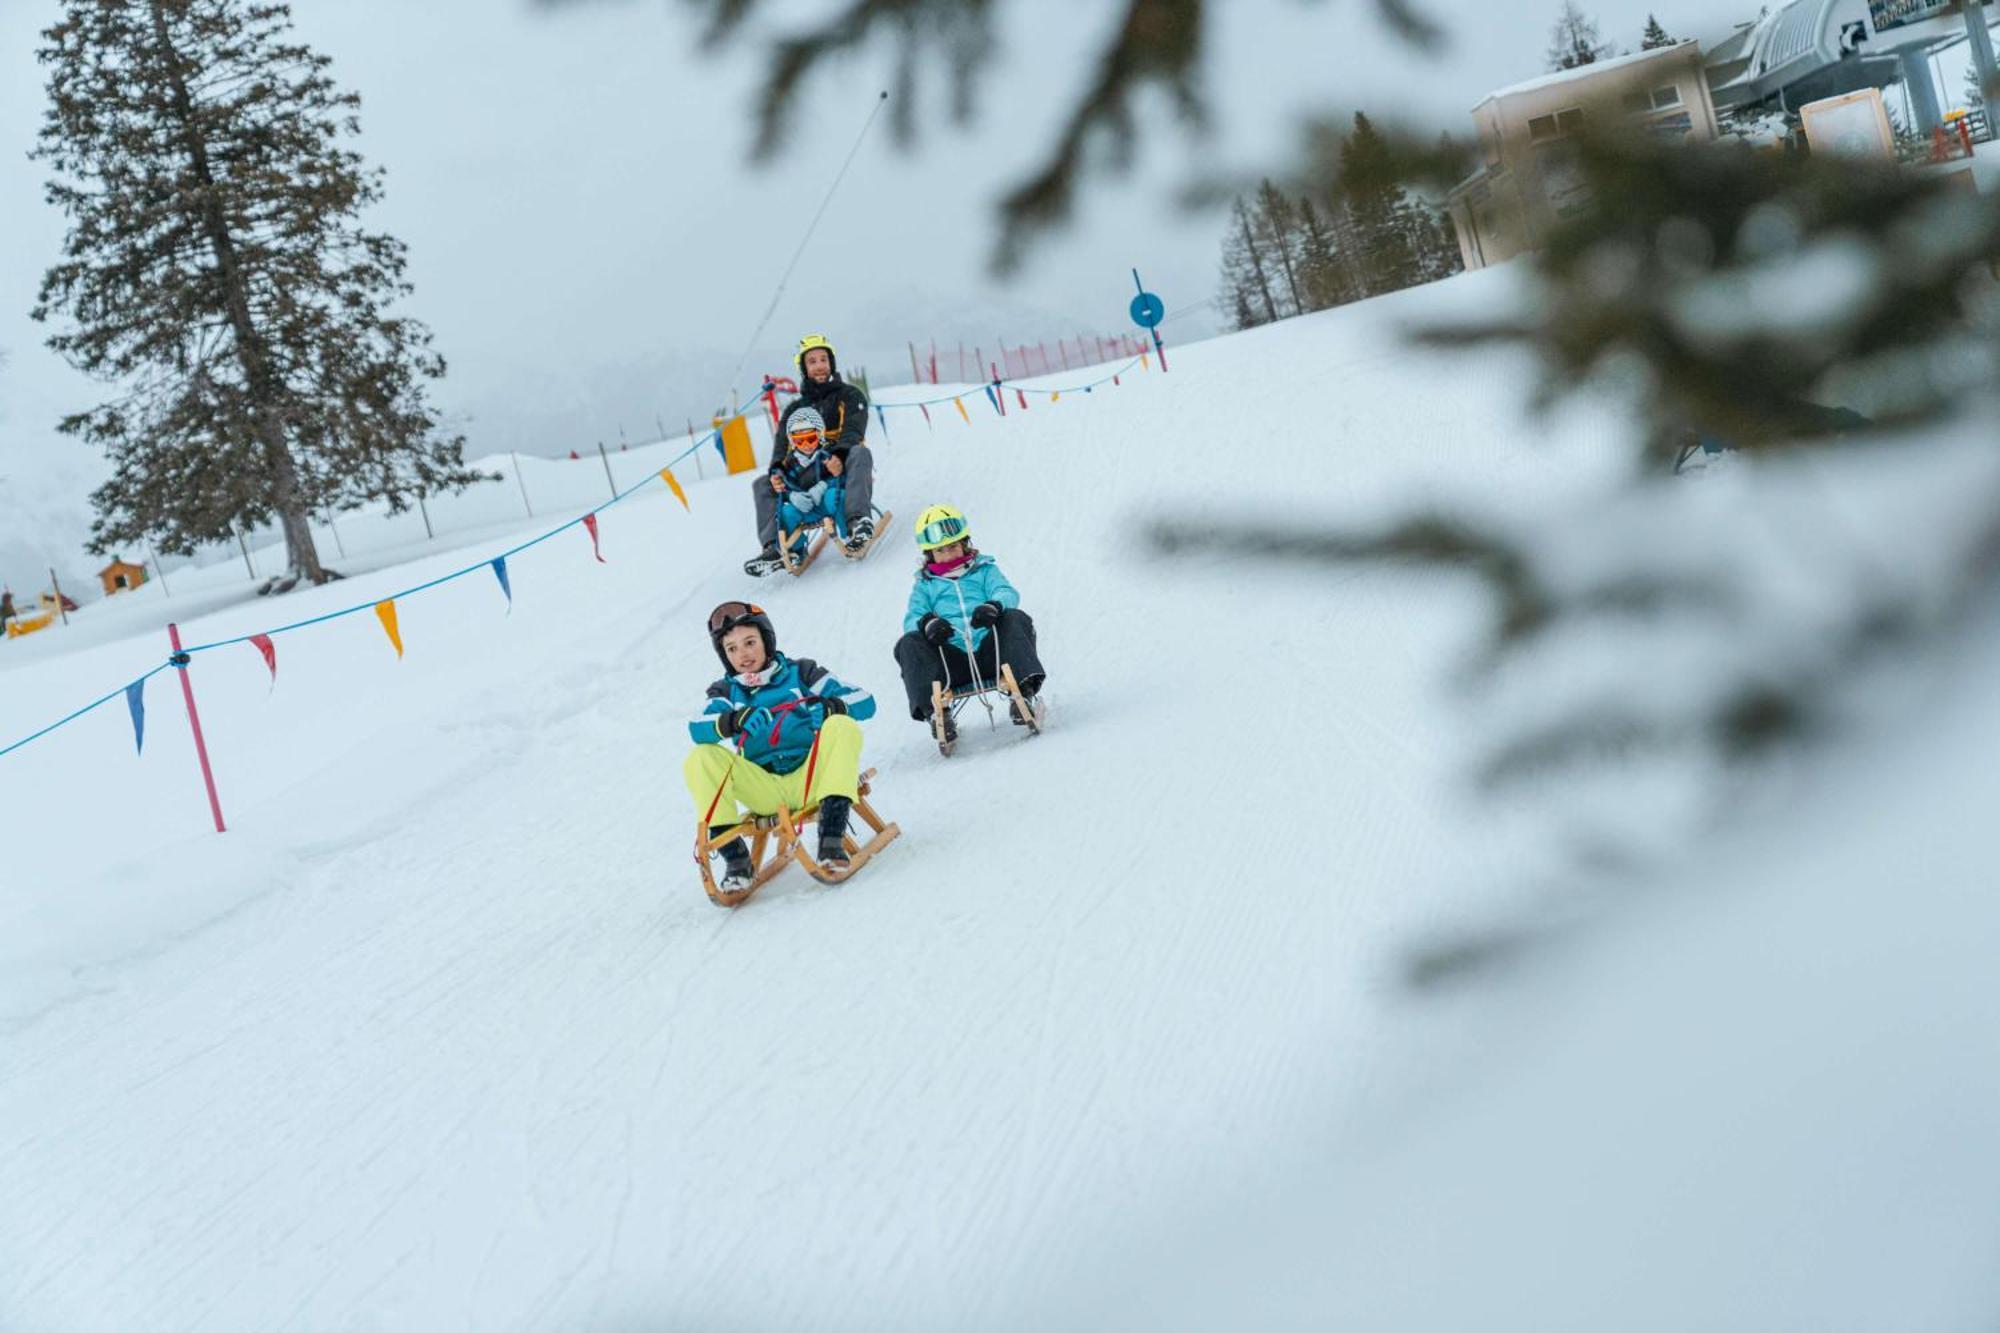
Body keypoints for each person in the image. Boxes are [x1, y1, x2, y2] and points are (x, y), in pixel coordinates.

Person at [684, 601, 878, 889]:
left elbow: (865, 702)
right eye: (732, 648)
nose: (743, 655)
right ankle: (736, 860)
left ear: (766, 639)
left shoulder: (801, 672)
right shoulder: (727, 691)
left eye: (749, 642)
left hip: (812, 778)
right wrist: (732, 721)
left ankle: (831, 839)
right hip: (764, 790)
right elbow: (697, 728)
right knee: (701, 757)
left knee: (841, 725)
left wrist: (830, 706)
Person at [892, 504, 1046, 742]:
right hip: (951, 663)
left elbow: (1006, 591)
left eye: (953, 546)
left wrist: (994, 606)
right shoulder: (925, 585)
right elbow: (912, 618)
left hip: (992, 653)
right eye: (940, 550)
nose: (948, 554)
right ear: (930, 553)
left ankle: (1023, 693)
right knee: (908, 643)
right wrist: (928, 623)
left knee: (1015, 618)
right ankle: (937, 713)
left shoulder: (984, 570)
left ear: (964, 543)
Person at [745, 333, 877, 574]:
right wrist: (777, 471)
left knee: (860, 452)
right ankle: (775, 548)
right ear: (804, 368)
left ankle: (858, 523)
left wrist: (838, 455)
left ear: (832, 363)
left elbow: (853, 431)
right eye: (812, 361)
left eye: (823, 360)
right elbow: (782, 446)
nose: (819, 366)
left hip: (842, 469)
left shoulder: (850, 395)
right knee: (762, 484)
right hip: (808, 473)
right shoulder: (796, 409)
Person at [769, 407, 848, 547]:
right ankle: (796, 550)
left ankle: (848, 533)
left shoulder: (829, 454)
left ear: (819, 435)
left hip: (827, 503)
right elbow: (785, 487)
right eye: (800, 441)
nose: (806, 446)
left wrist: (824, 486)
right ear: (792, 442)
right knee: (786, 512)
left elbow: (845, 477)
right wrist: (792, 496)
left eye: (810, 439)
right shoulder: (790, 463)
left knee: (836, 496)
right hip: (806, 509)